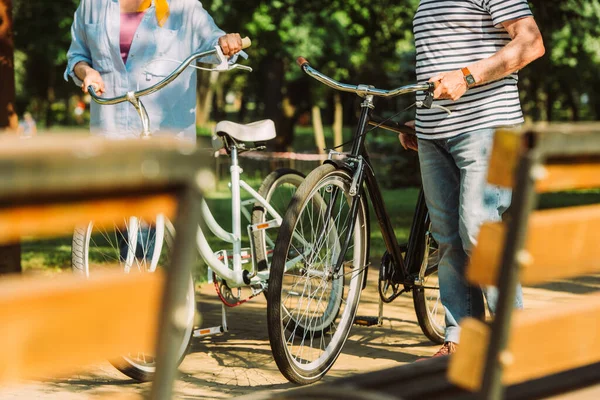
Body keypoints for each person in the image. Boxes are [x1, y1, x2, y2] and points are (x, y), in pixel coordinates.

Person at [399, 0, 545, 357]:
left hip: (488, 126)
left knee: (478, 229)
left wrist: (467, 76)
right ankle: (462, 339)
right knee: (447, 237)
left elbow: (531, 43)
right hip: (435, 134)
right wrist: (422, 117)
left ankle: (515, 339)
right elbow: (437, 63)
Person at [64, 0, 244, 141]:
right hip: (108, 132)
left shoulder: (184, 6)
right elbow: (77, 56)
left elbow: (213, 40)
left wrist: (225, 42)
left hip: (165, 136)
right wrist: (87, 72)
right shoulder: (92, 4)